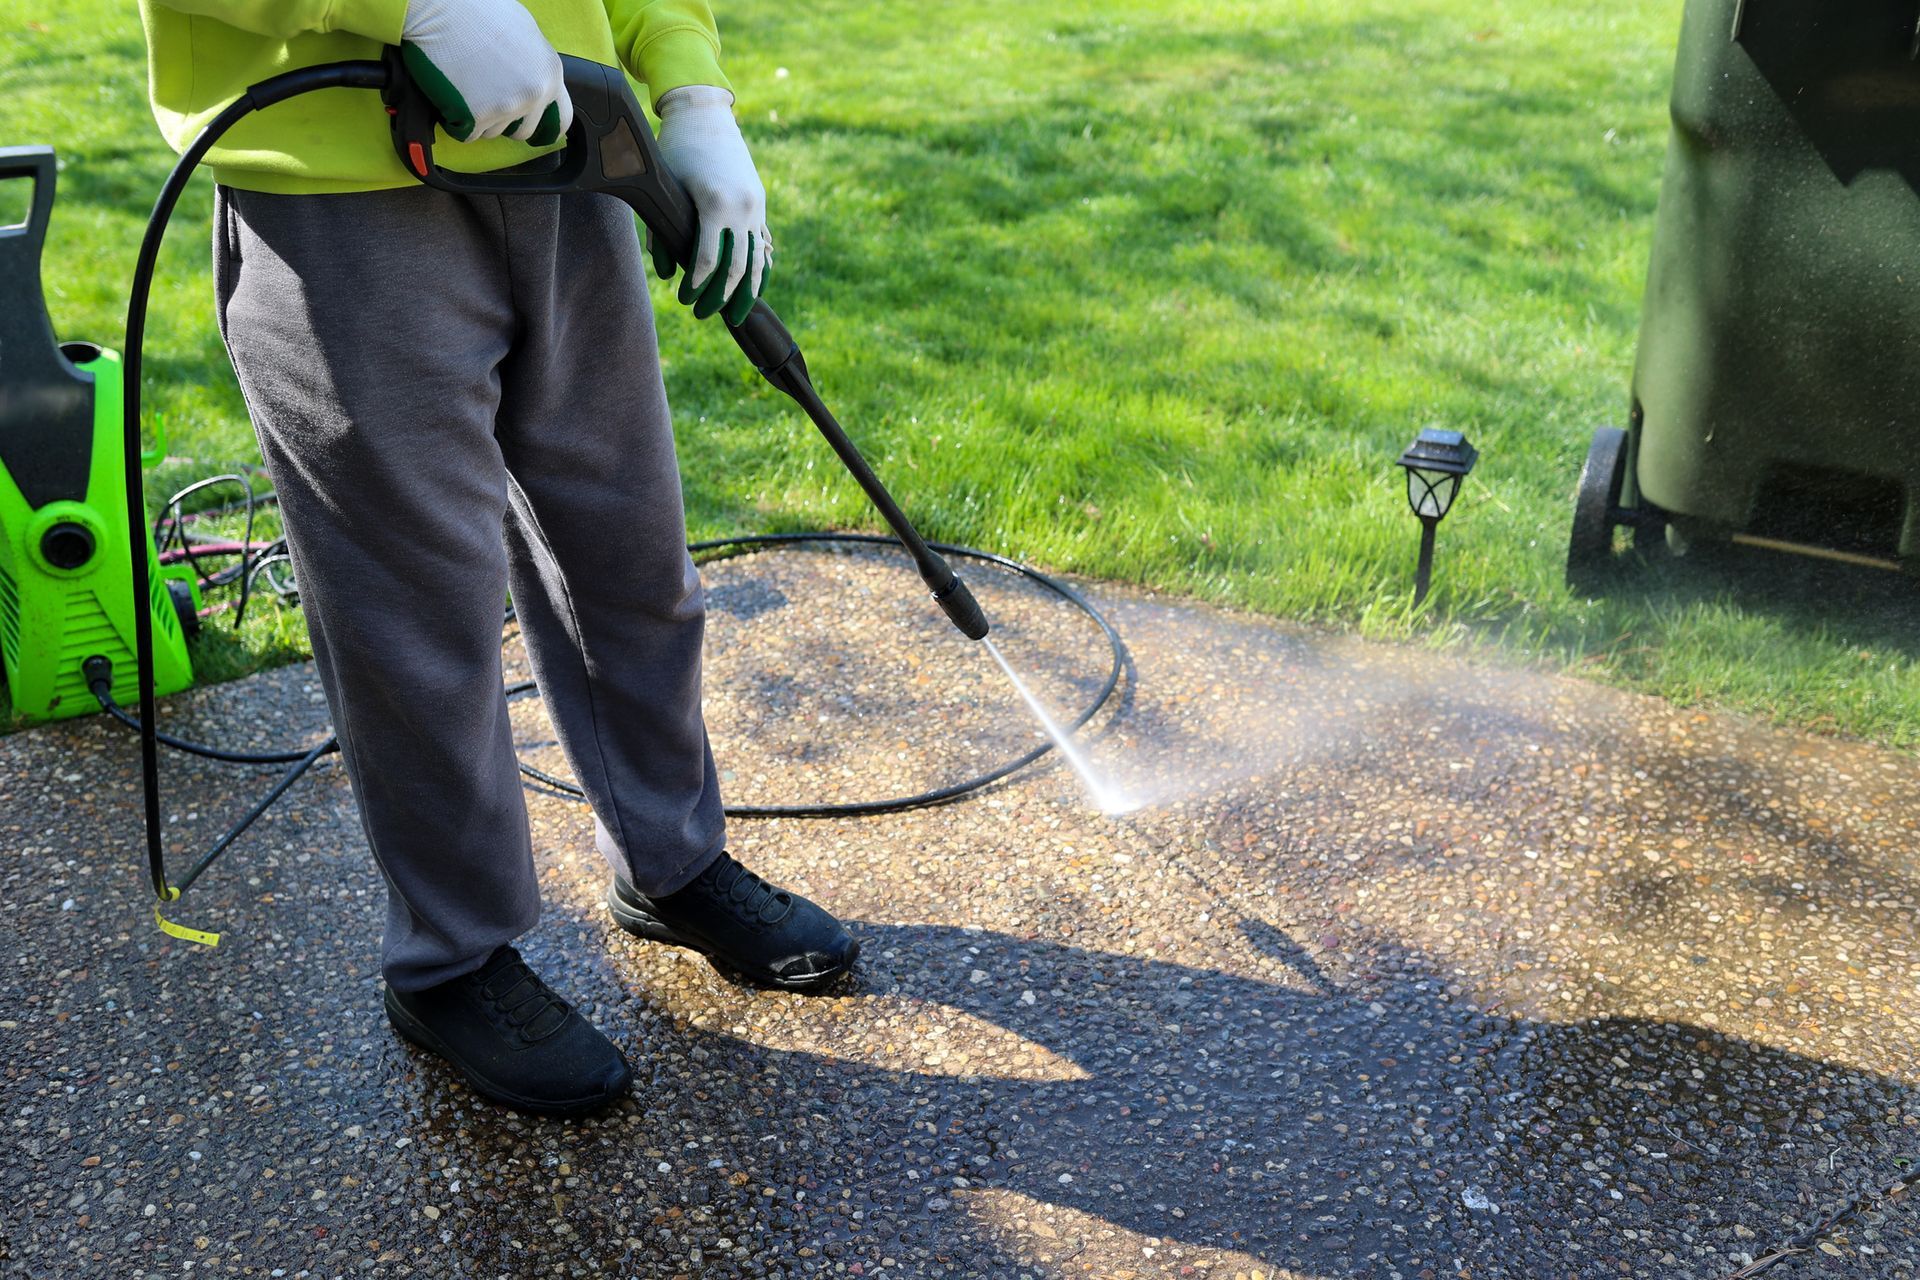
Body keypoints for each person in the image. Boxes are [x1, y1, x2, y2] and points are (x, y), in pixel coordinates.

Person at [137, 0, 858, 1117]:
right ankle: (452, 958)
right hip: (340, 203)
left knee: (630, 559)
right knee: (418, 621)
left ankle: (671, 862)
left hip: (567, 162)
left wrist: (692, 93)